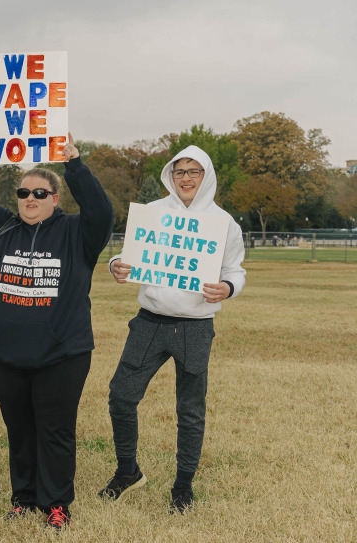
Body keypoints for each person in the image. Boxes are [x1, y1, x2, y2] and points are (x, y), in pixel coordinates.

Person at [0, 121, 114, 529]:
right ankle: (23, 497)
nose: (30, 198)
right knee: (19, 429)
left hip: (62, 355)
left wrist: (74, 163)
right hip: (4, 354)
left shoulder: (77, 232)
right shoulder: (0, 228)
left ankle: (57, 503)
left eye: (39, 193)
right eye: (23, 192)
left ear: (55, 198)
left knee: (55, 430)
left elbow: (101, 210)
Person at [100, 145, 246, 514]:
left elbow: (235, 271)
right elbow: (125, 255)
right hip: (150, 321)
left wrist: (227, 288)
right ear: (170, 175)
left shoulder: (223, 223)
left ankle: (183, 485)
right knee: (121, 396)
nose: (185, 178)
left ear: (206, 176)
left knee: (191, 409)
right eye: (179, 171)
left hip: (196, 326)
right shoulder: (152, 214)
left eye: (194, 171)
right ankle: (128, 472)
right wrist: (116, 264)